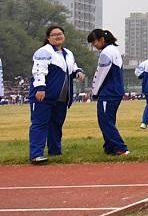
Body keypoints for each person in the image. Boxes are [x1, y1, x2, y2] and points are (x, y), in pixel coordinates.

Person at [27, 25, 86, 164]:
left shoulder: (68, 53)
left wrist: (78, 71)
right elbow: (38, 70)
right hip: (44, 95)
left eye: (60, 34)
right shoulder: (43, 52)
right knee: (40, 124)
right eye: (54, 34)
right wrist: (40, 88)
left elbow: (72, 67)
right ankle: (36, 154)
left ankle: (55, 151)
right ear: (48, 38)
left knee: (56, 124)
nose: (58, 36)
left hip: (61, 97)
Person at [86, 29, 130, 157]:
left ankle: (120, 147)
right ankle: (110, 146)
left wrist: (94, 91)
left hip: (108, 92)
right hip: (115, 90)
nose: (93, 45)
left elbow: (101, 74)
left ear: (102, 40)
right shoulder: (114, 50)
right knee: (109, 119)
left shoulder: (106, 53)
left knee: (105, 121)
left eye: (94, 42)